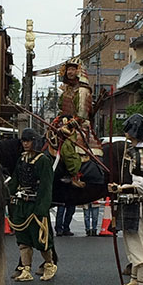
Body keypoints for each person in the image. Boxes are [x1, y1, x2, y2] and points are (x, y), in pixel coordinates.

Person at [108, 114, 143, 285]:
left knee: (139, 244)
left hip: (137, 203)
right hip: (128, 203)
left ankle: (141, 282)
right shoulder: (135, 150)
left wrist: (119, 188)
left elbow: (141, 186)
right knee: (130, 243)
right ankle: (134, 279)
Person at [8, 128, 57, 282]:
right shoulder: (21, 159)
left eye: (28, 140)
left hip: (36, 205)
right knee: (23, 239)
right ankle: (26, 268)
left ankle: (49, 264)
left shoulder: (43, 161)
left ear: (35, 142)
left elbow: (46, 187)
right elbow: (15, 179)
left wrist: (41, 209)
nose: (25, 143)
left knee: (42, 240)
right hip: (21, 204)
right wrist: (7, 194)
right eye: (23, 141)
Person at [53, 57, 103, 188]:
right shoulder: (67, 90)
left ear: (79, 71)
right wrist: (57, 121)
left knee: (67, 148)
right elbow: (61, 110)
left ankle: (74, 175)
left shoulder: (83, 90)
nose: (69, 72)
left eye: (73, 69)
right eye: (68, 69)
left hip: (79, 127)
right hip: (65, 124)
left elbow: (81, 114)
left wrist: (68, 125)